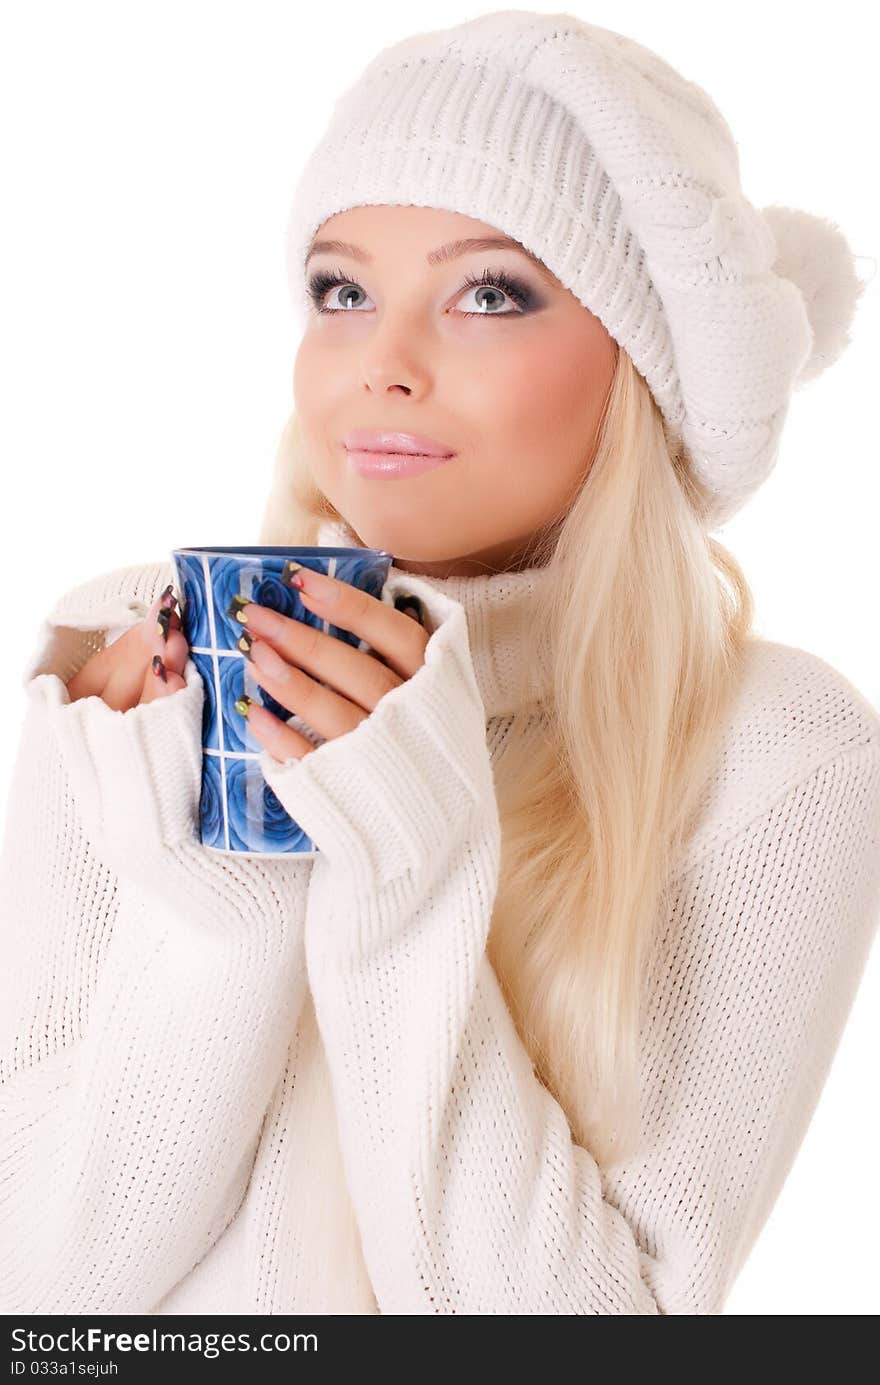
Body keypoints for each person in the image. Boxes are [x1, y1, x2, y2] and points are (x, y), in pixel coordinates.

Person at [2, 9, 879, 1316]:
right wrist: (221, 904)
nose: (382, 367)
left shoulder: (776, 752)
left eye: (489, 292)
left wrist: (409, 877)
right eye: (341, 290)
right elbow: (43, 1297)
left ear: (643, 367)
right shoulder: (134, 675)